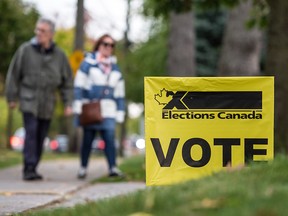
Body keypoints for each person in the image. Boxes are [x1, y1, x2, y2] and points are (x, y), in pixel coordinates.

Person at [5, 18, 73, 181]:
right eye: (37, 30)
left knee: (41, 135)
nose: (38, 33)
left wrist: (68, 103)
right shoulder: (25, 50)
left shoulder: (60, 55)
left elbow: (67, 82)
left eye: (42, 31)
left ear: (51, 34)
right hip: (29, 99)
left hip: (48, 102)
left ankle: (33, 166)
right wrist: (11, 97)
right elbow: (13, 75)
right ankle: (28, 167)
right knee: (31, 132)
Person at [73, 34, 126, 179]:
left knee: (109, 138)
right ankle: (83, 168)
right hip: (91, 108)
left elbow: (120, 93)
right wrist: (78, 105)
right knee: (88, 140)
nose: (108, 47)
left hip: (109, 110)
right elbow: (78, 86)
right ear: (98, 45)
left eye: (111, 45)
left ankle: (112, 168)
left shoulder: (115, 69)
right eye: (105, 44)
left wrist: (121, 110)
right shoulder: (87, 64)